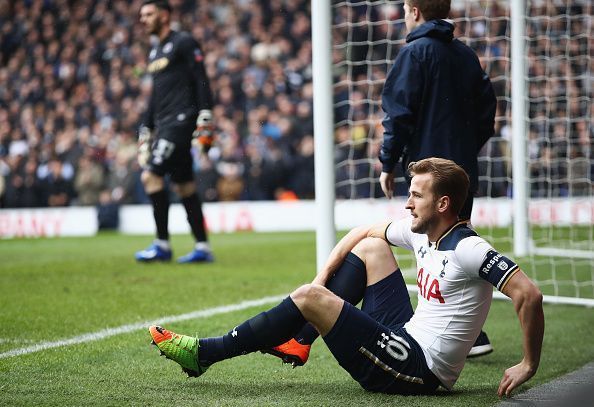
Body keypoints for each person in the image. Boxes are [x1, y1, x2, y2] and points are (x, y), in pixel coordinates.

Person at [149, 158, 544, 397]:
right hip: (404, 336)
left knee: (307, 298)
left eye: (417, 196)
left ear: (443, 204)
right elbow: (362, 233)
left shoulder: (468, 249)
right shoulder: (422, 231)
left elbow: (529, 294)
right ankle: (301, 341)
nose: (408, 203)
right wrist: (322, 278)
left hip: (420, 371)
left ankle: (206, 353)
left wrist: (528, 363)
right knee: (370, 249)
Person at [378, 0, 498, 356]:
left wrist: (388, 161)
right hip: (460, 172)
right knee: (457, 247)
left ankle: (452, 337)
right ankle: (472, 335)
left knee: (431, 249)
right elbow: (487, 112)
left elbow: (398, 113)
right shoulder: (465, 55)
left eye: (403, 8)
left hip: (428, 174)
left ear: (414, 11)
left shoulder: (414, 53)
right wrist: (462, 153)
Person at [135, 0, 215, 263]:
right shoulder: (155, 51)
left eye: (149, 14)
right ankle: (203, 247)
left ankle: (162, 245)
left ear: (165, 15)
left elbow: (201, 78)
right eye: (142, 15)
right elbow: (155, 95)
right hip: (165, 123)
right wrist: (146, 127)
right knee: (184, 186)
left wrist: (205, 114)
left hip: (181, 121)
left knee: (151, 176)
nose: (143, 19)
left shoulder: (183, 42)